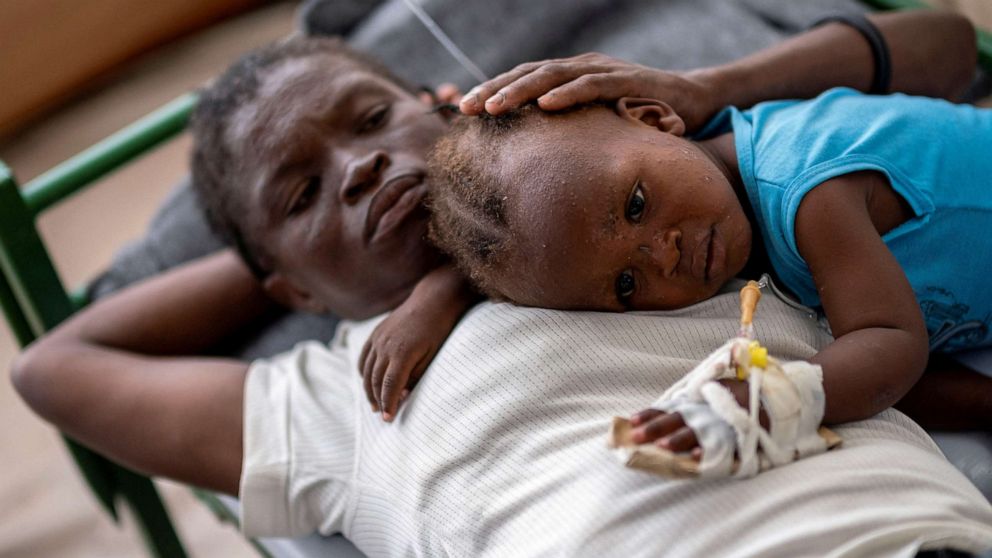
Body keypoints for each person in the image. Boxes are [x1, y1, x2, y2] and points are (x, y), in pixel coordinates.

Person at [10, 10, 991, 555]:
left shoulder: (685, 212)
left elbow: (941, 51)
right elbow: (55, 368)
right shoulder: (345, 398)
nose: (355, 170)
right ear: (292, 291)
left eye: (366, 123)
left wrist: (708, 93)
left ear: (448, 104)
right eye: (304, 191)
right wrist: (345, 268)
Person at [428, 15, 992, 455]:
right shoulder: (738, 226)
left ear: (656, 117)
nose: (662, 255)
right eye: (626, 283)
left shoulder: (805, 187)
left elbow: (892, 349)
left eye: (636, 205)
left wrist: (763, 404)